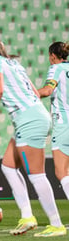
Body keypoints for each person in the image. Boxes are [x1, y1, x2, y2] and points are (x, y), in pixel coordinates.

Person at [0, 33, 66, 237]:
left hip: (29, 120)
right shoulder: (13, 63)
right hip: (33, 116)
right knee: (8, 166)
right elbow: (34, 92)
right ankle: (27, 217)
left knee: (37, 175)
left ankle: (56, 224)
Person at [37, 41, 69, 200]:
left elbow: (47, 90)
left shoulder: (56, 68)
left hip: (64, 125)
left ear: (52, 56)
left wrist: (28, 95)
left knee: (62, 172)